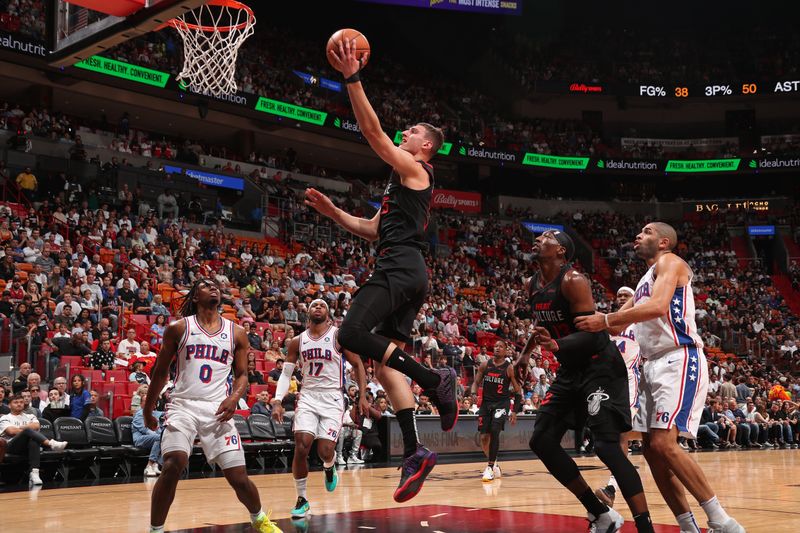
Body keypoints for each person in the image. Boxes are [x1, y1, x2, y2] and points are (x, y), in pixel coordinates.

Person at [307, 37, 457, 503]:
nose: (403, 133)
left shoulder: (416, 169)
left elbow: (372, 134)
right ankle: (415, 451)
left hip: (400, 267)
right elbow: (372, 228)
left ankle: (436, 380)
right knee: (383, 360)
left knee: (349, 335)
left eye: (411, 131)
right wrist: (335, 214)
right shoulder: (402, 184)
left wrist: (352, 78)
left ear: (425, 146)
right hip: (407, 268)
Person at [576, 222, 745, 533]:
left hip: (678, 356)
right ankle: (687, 526)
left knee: (666, 445)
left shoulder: (670, 262)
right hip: (650, 364)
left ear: (664, 242)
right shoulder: (643, 280)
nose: (639, 235)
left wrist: (606, 319)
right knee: (653, 451)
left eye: (647, 231)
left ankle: (723, 522)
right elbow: (612, 327)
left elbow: (657, 307)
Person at [525, 230, 654, 532]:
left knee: (608, 447)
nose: (538, 238)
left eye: (546, 237)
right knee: (541, 440)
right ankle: (602, 514)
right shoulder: (531, 284)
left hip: (600, 368)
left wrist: (557, 346)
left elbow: (591, 332)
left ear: (561, 252)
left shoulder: (573, 281)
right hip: (570, 371)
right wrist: (522, 357)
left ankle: (644, 526)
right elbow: (543, 328)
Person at [142, 278, 281, 533]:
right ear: (195, 296)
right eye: (206, 285)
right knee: (173, 463)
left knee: (238, 478)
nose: (214, 287)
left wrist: (234, 397)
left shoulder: (236, 332)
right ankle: (156, 529)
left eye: (216, 285)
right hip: (183, 404)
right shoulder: (178, 328)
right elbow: (160, 372)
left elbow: (242, 375)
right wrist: (147, 409)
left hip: (217, 408)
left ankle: (259, 519)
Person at [271, 299, 369, 519]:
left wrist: (362, 396)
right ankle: (302, 499)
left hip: (333, 397)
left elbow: (358, 365)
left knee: (324, 451)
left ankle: (329, 464)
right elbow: (286, 374)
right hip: (308, 397)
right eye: (314, 304)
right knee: (302, 445)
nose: (317, 307)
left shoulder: (338, 337)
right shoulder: (297, 341)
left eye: (322, 305)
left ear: (328, 314)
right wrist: (277, 400)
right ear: (307, 312)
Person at [595, 286, 643, 506]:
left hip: (629, 381)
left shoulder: (640, 321)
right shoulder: (609, 323)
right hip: (606, 381)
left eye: (627, 295)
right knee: (610, 436)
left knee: (621, 434)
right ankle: (620, 479)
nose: (622, 297)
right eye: (619, 295)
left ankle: (613, 485)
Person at [470, 340, 521, 483]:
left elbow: (518, 391)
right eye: (496, 346)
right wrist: (474, 394)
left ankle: (490, 467)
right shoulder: (485, 364)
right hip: (486, 404)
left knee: (495, 430)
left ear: (506, 351)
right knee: (484, 438)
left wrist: (515, 411)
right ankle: (495, 463)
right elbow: (476, 382)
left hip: (501, 404)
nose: (497, 348)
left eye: (500, 347)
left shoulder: (510, 368)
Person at [0, 394, 67, 485]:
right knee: (29, 432)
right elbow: (11, 431)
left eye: (21, 402)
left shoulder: (30, 416)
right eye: (16, 402)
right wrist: (26, 429)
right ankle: (50, 443)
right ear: (9, 405)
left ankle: (34, 473)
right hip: (12, 447)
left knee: (33, 439)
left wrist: (21, 428)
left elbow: (36, 426)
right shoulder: (5, 417)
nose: (19, 404)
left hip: (29, 447)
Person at [132, 398, 164, 477]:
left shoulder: (157, 413)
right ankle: (149, 465)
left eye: (150, 400)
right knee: (161, 437)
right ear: (141, 404)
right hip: (140, 439)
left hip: (155, 438)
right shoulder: (139, 414)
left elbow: (167, 414)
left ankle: (156, 464)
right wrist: (160, 435)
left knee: (167, 439)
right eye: (145, 401)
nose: (148, 403)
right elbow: (145, 429)